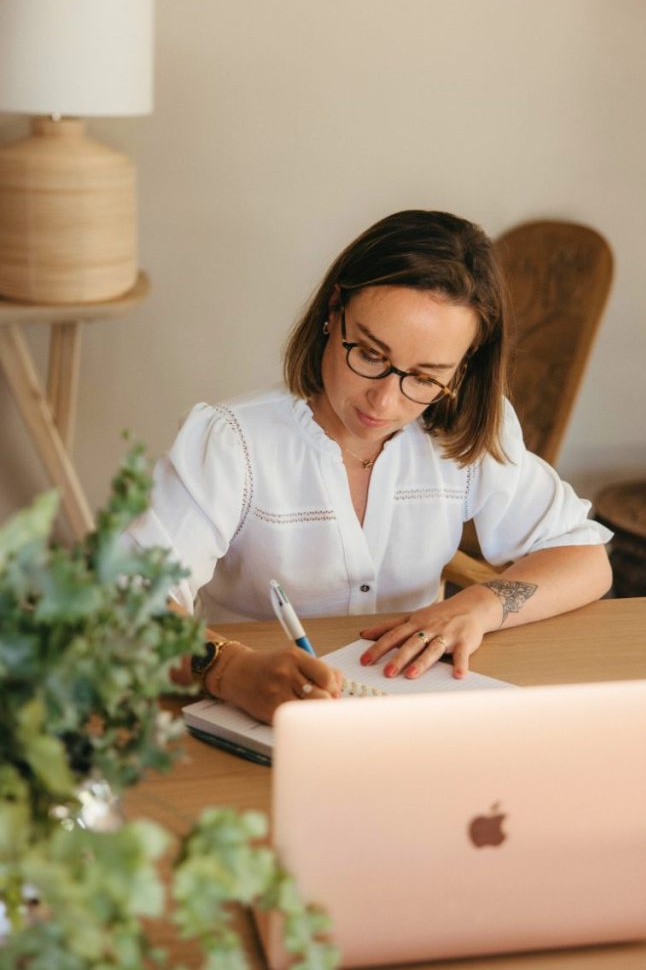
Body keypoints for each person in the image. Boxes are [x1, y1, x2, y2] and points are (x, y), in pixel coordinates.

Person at [125, 210, 612, 724]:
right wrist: (227, 670)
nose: (383, 400)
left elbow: (584, 557)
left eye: (426, 377)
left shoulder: (465, 434)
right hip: (246, 718)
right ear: (333, 310)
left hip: (404, 720)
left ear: (462, 368)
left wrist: (481, 605)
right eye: (370, 353)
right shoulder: (232, 442)